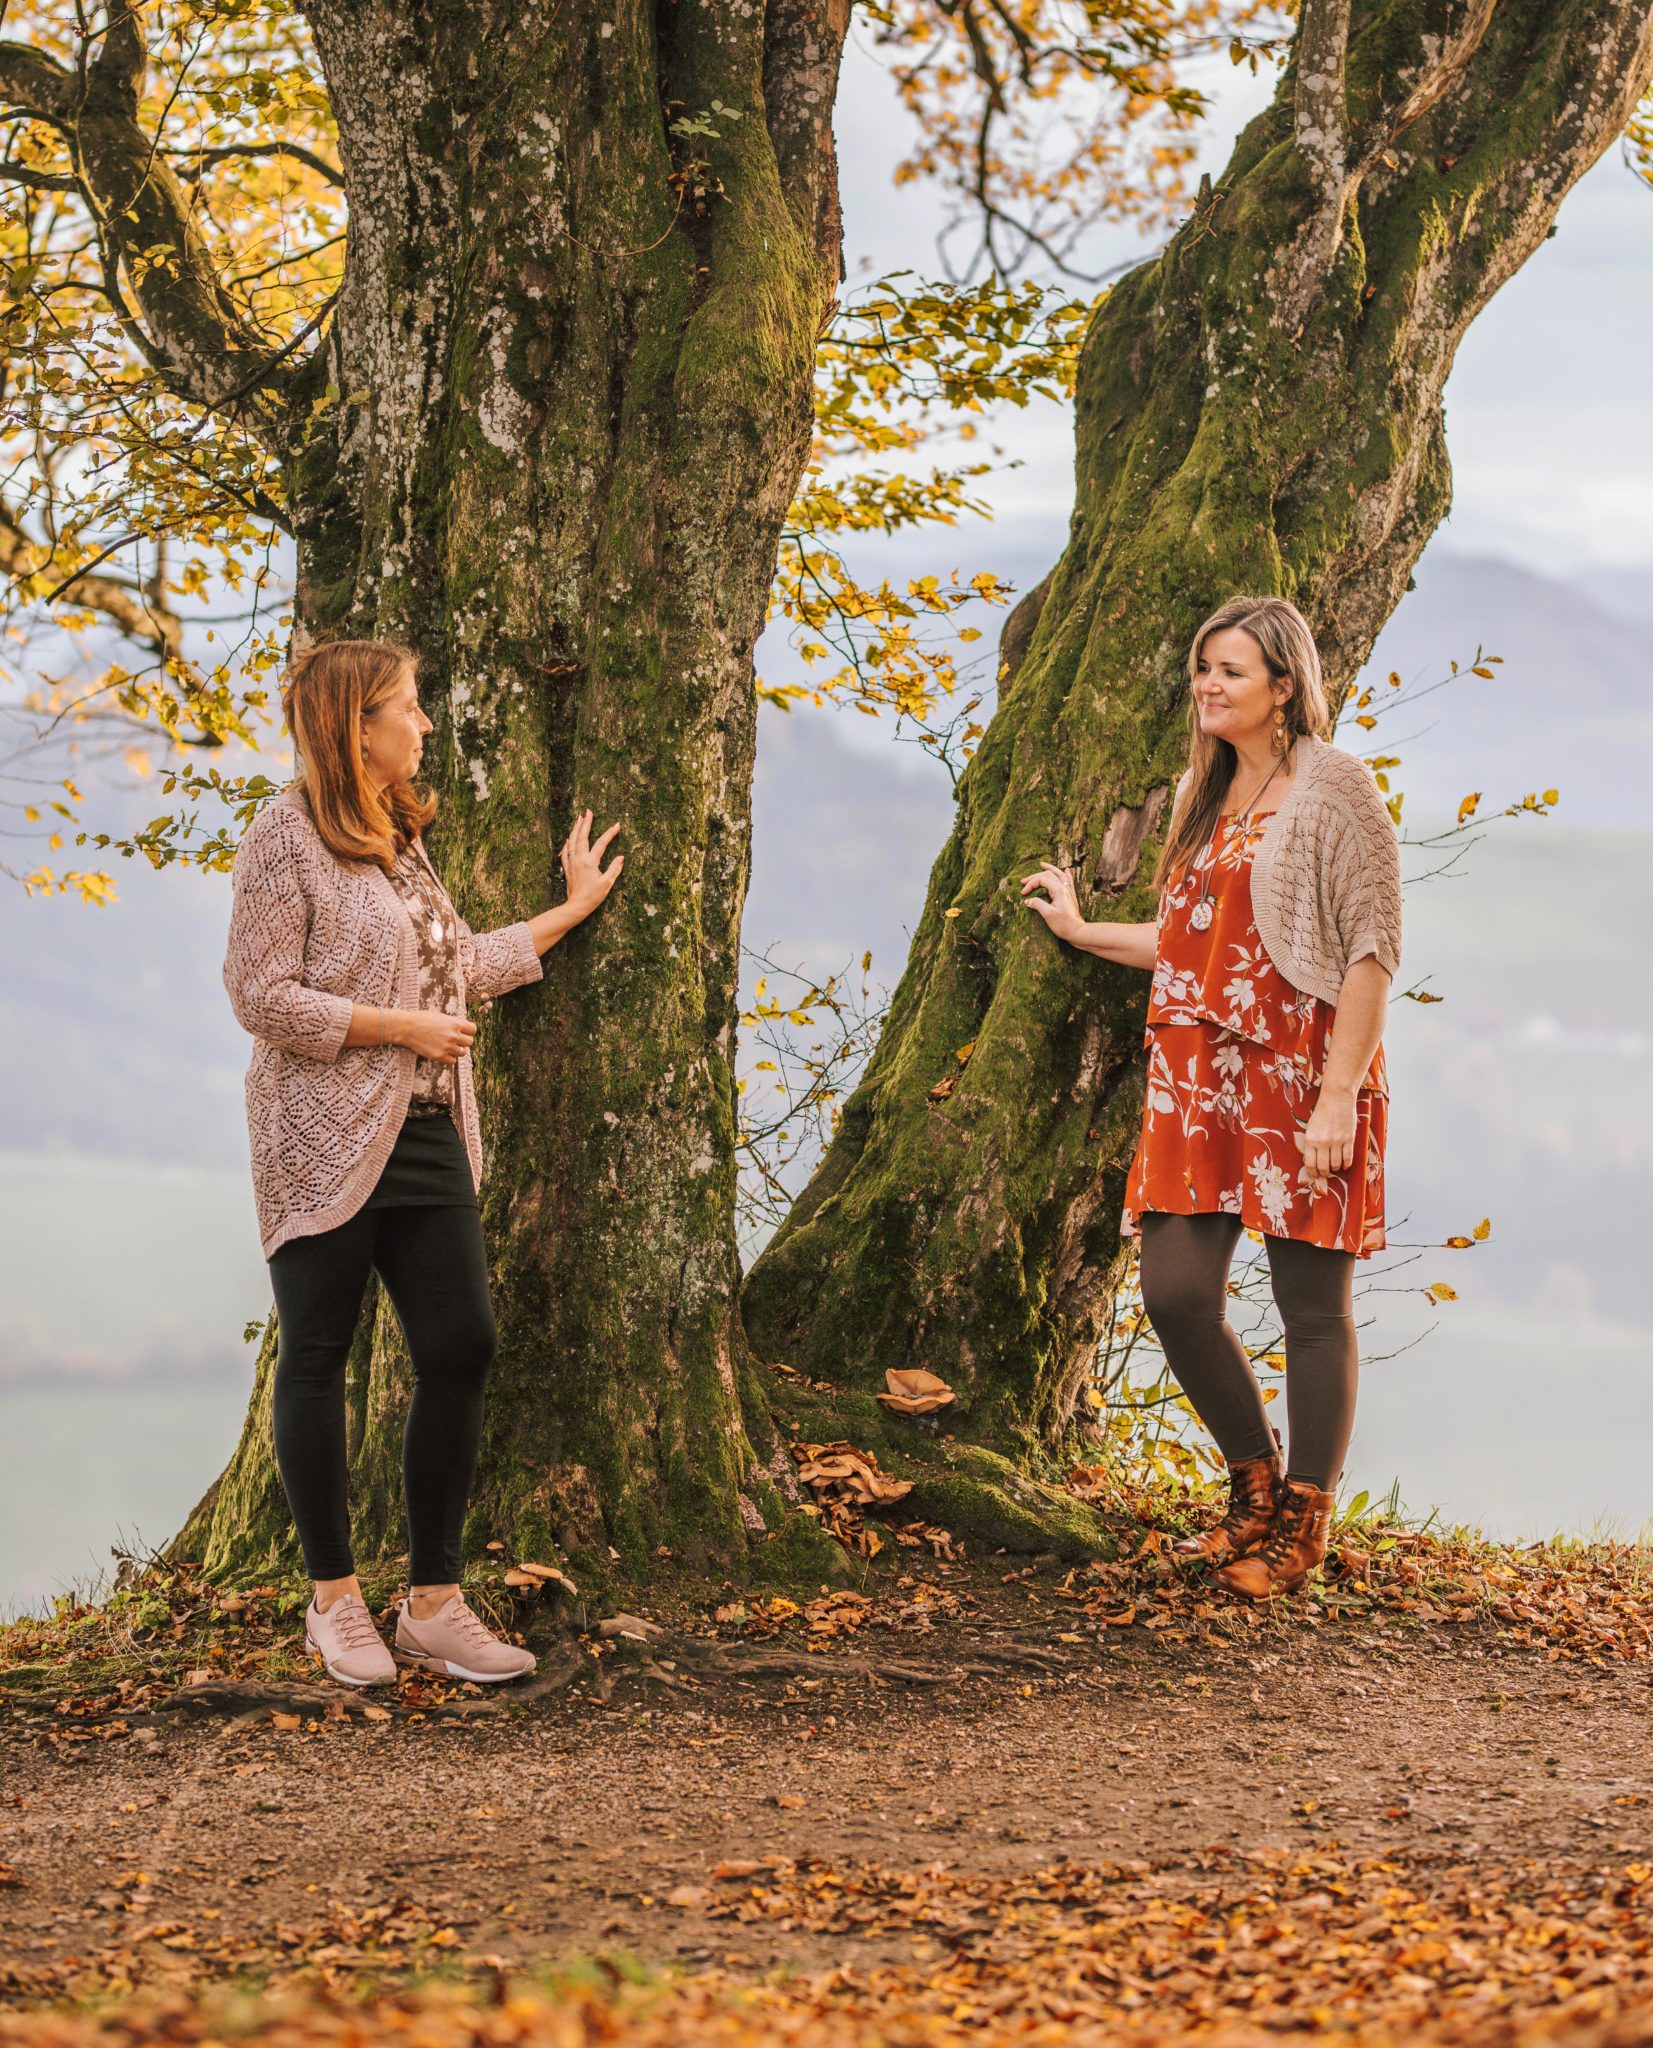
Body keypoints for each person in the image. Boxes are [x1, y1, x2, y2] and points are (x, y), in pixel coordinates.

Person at [223, 638, 623, 1685]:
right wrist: (397, 1025)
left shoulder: (399, 837)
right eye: (408, 707)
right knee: (319, 1352)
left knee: (461, 1344)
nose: (426, 725)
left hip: (428, 1129)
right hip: (320, 1132)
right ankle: (335, 1601)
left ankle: (433, 1603)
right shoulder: (285, 837)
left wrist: (570, 909)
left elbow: (459, 969)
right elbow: (259, 995)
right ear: (355, 726)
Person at [1021, 595, 1401, 1599]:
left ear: (1285, 686)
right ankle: (1254, 1485)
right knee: (1176, 1294)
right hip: (1197, 1082)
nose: (1208, 685)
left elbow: (1371, 953)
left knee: (1312, 1305)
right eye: (1203, 667)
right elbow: (1189, 948)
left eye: (1230, 669)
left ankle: (1304, 1521)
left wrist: (1336, 1100)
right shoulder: (1204, 793)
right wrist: (1079, 929)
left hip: (1300, 1076)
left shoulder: (1336, 791)